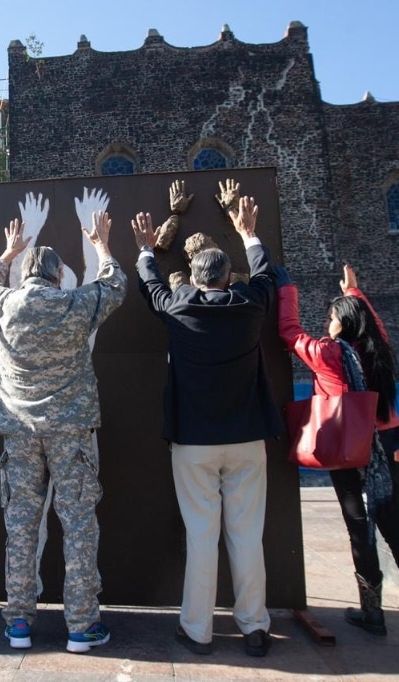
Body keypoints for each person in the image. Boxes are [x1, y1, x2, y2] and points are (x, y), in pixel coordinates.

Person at [129, 185, 281, 658]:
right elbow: (265, 274)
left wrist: (145, 248)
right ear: (228, 278)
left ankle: (198, 630)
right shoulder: (250, 305)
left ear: (193, 279)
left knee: (201, 536)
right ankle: (254, 626)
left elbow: (150, 285)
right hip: (246, 439)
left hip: (194, 442)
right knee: (247, 534)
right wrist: (249, 234)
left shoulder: (179, 306)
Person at [0, 211, 126, 653]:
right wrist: (101, 245)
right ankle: (81, 626)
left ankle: (19, 622)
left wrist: (7, 254)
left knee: (21, 526)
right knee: (78, 527)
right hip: (70, 433)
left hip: (18, 431)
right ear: (59, 276)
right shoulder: (75, 304)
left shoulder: (2, 305)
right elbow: (115, 284)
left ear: (24, 275)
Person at [276, 262, 399, 637]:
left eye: (332, 317)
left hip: (348, 446)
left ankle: (373, 612)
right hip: (387, 442)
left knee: (358, 526)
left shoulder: (328, 354)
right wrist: (353, 291)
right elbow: (374, 325)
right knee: (394, 526)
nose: (328, 323)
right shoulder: (378, 351)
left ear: (343, 323)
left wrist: (287, 289)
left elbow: (290, 332)